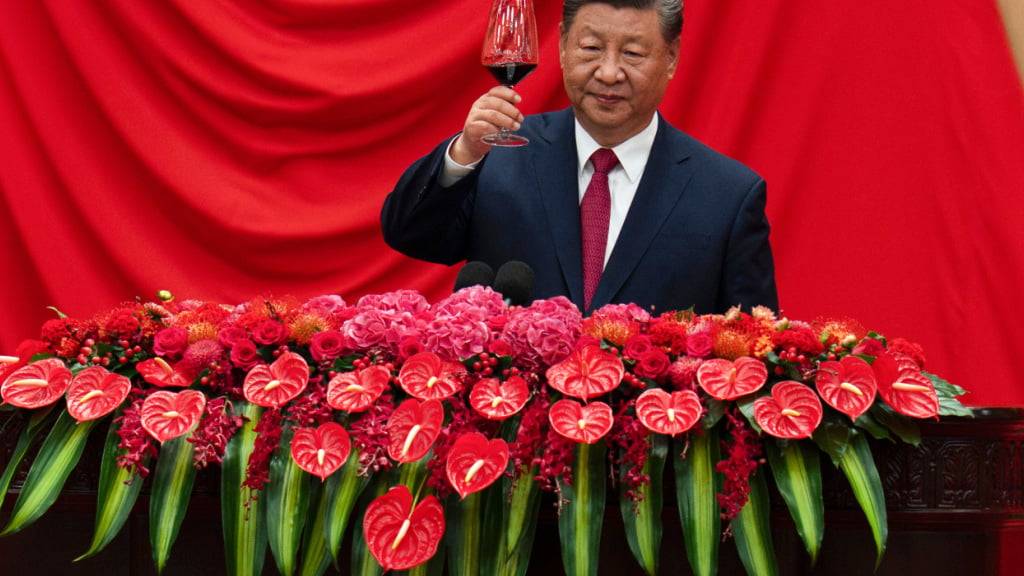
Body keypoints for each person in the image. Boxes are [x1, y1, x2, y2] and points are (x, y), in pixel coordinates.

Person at [382, 0, 777, 315]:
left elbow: (750, 355)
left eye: (633, 53)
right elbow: (411, 235)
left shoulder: (727, 196)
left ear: (671, 57)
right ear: (563, 45)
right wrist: (465, 153)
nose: (608, 73)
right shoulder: (498, 158)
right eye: (590, 48)